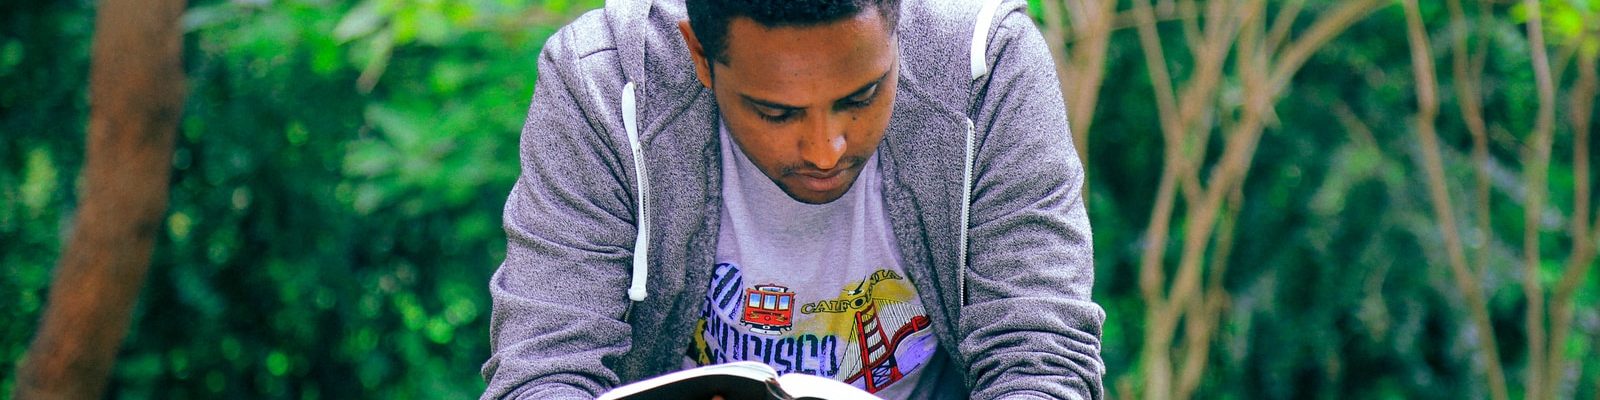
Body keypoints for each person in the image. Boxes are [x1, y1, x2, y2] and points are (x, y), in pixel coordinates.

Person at [480, 0, 1104, 398]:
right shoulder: (604, 85)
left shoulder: (985, 69)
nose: (825, 151)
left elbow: (1040, 357)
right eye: (776, 113)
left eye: (861, 98)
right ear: (700, 55)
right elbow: (544, 369)